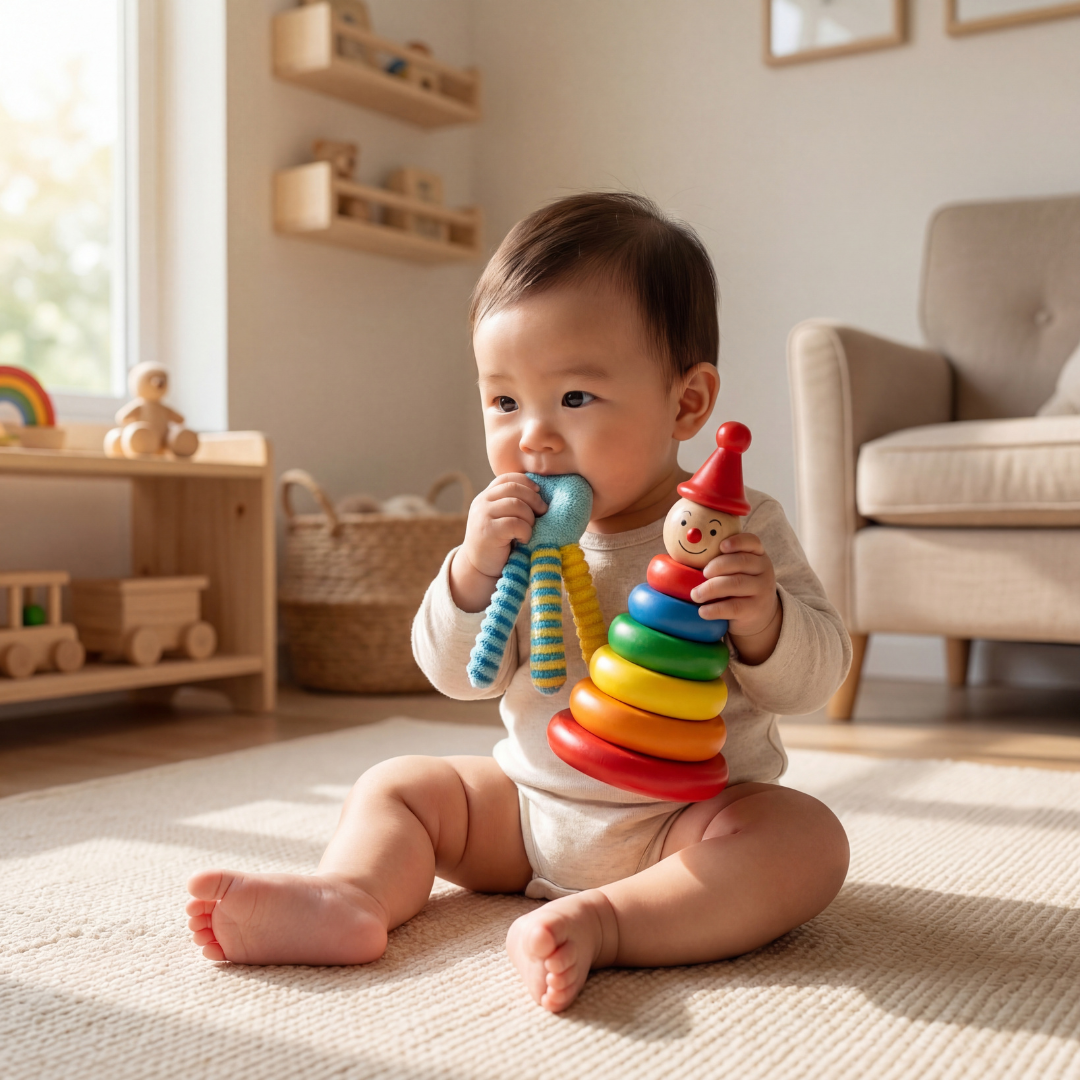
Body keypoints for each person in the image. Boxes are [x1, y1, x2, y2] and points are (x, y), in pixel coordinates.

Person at [186, 192, 852, 1013]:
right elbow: (456, 676)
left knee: (806, 840)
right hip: (527, 808)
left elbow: (813, 678)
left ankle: (609, 923)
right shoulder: (510, 537)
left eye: (573, 399)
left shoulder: (736, 529)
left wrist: (765, 621)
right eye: (503, 402)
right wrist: (469, 570)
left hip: (686, 825)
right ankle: (349, 896)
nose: (532, 436)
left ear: (686, 402)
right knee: (399, 783)